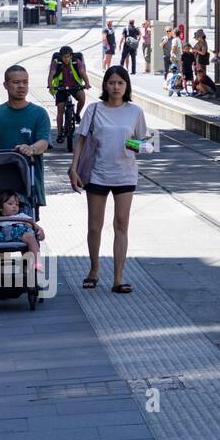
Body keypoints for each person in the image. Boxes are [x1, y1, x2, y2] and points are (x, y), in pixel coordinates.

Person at [68, 66, 152, 294]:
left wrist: (131, 143)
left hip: (125, 174)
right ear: (105, 85)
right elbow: (81, 141)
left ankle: (118, 278)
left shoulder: (135, 112)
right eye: (112, 82)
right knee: (94, 226)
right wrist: (73, 168)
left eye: (120, 83)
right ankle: (94, 270)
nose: (116, 87)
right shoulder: (94, 110)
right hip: (97, 173)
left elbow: (149, 144)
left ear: (127, 86)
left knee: (121, 224)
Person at [0, 65, 51, 215]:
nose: (21, 86)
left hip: (28, 185)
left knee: (27, 228)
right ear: (5, 85)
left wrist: (31, 148)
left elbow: (43, 142)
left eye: (25, 82)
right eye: (16, 82)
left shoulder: (39, 113)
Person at [48, 45, 91, 133]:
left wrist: (87, 84)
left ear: (71, 56)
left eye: (68, 56)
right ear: (61, 57)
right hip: (60, 87)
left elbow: (83, 73)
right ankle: (60, 131)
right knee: (60, 109)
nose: (66, 59)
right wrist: (50, 85)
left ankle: (77, 114)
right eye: (64, 57)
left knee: (82, 98)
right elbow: (51, 75)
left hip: (75, 86)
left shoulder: (76, 62)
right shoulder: (56, 63)